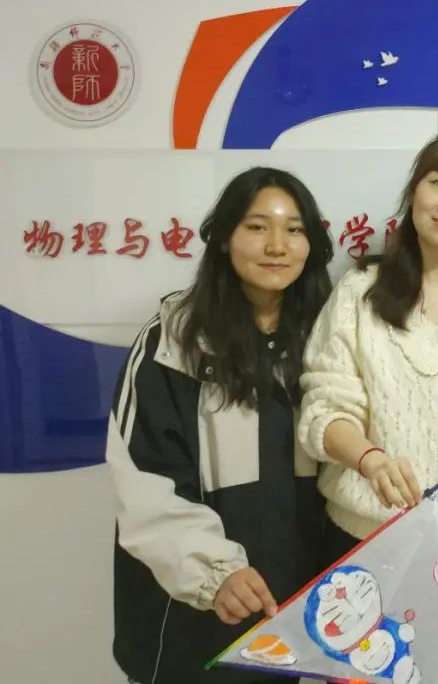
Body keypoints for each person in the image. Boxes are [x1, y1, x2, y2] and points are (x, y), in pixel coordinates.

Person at [107, 167, 333, 684]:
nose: (276, 245)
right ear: (225, 237)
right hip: (193, 615)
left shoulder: (329, 335)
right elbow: (146, 485)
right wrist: (215, 574)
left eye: (294, 229)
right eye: (257, 226)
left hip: (302, 611)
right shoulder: (172, 342)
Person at [299, 129, 438, 561]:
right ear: (413, 192)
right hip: (359, 535)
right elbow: (325, 405)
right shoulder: (359, 290)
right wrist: (369, 459)